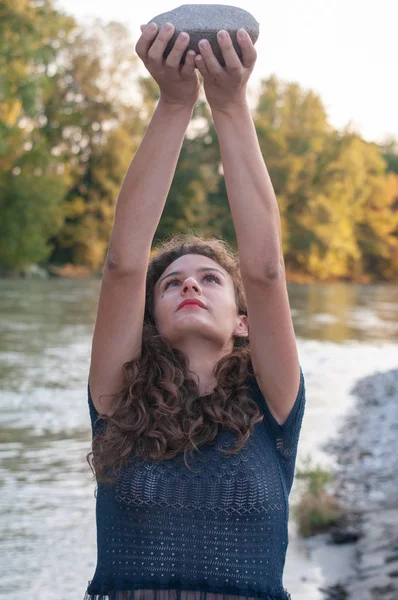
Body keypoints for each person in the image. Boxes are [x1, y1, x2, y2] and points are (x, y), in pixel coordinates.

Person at [84, 21, 306, 600]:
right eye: (172, 283)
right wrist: (175, 102)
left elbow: (264, 269)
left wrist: (230, 104)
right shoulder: (118, 399)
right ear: (151, 319)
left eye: (210, 279)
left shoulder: (273, 405)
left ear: (243, 321)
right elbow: (124, 264)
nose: (189, 286)